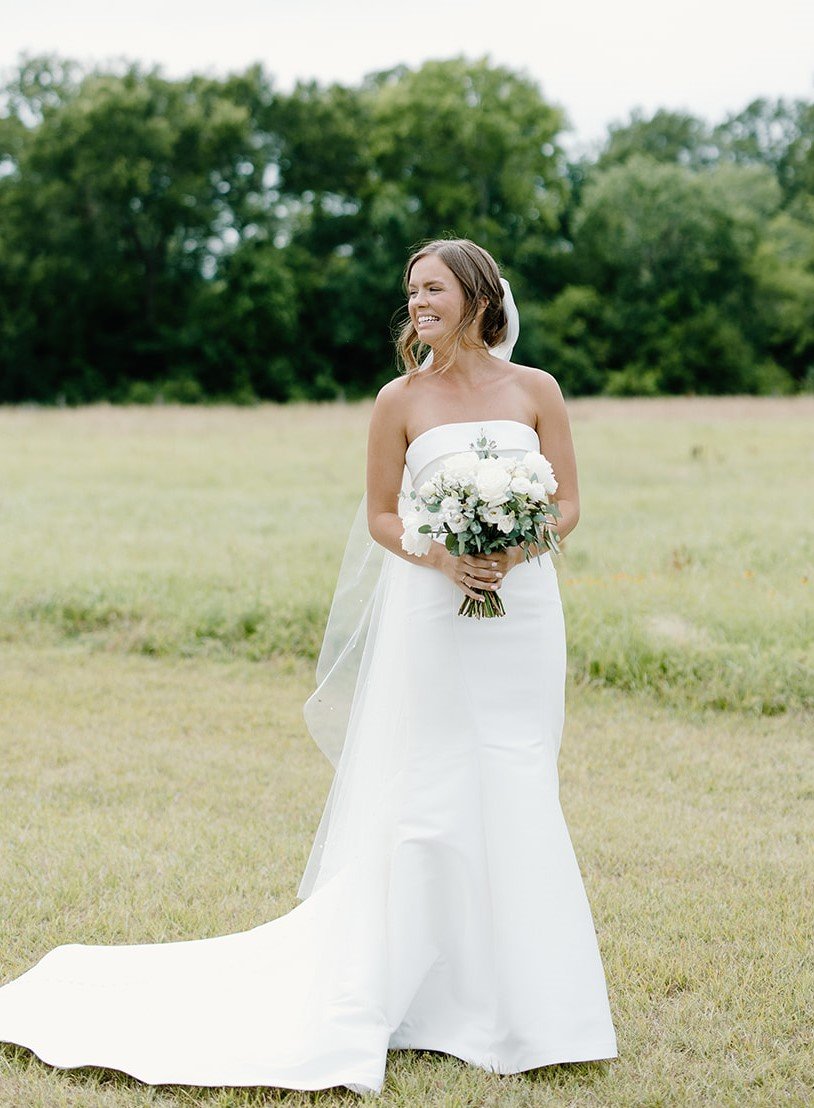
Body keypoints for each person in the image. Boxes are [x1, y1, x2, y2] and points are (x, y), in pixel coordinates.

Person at [0, 238, 617, 1095]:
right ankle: (424, 998)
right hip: (437, 611)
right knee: (435, 790)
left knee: (518, 778)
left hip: (525, 615)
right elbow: (379, 516)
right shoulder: (398, 400)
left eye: (433, 289)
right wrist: (444, 559)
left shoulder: (537, 391)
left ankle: (537, 1010)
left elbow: (571, 503)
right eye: (412, 293)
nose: (418, 305)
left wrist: (517, 546)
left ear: (478, 297)